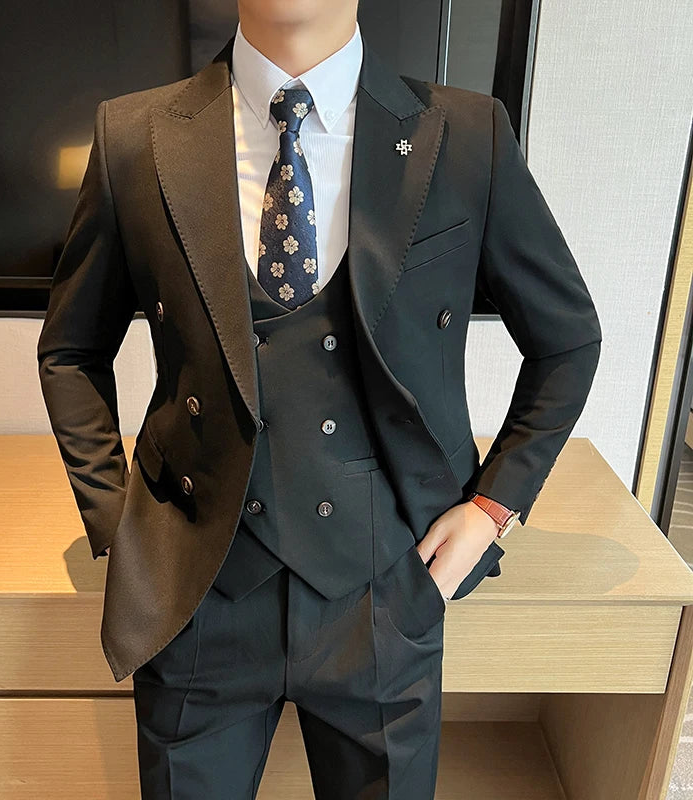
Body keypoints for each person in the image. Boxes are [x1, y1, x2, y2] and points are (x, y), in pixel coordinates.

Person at [37, 1, 602, 797]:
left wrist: (491, 509)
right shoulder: (134, 136)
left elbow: (567, 341)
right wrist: (116, 523)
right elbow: (70, 352)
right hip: (198, 597)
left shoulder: (468, 135)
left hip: (388, 589)